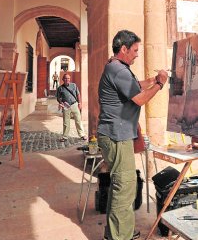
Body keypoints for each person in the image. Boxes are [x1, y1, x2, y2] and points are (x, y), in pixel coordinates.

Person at [97, 30, 168, 240]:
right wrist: (160, 84)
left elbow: (136, 86)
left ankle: (116, 233)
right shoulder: (118, 70)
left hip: (114, 134)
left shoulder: (118, 68)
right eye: (135, 50)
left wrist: (154, 79)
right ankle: (121, 237)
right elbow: (139, 98)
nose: (137, 54)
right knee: (125, 187)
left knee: (120, 185)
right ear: (124, 49)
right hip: (116, 136)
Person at [56, 73, 86, 142]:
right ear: (63, 79)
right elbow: (58, 98)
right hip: (66, 106)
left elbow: (78, 94)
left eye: (68, 78)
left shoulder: (74, 85)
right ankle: (65, 136)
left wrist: (79, 103)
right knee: (66, 122)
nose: (67, 80)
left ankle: (82, 134)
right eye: (65, 78)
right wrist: (61, 103)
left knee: (78, 120)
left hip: (74, 104)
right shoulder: (60, 88)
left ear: (70, 79)